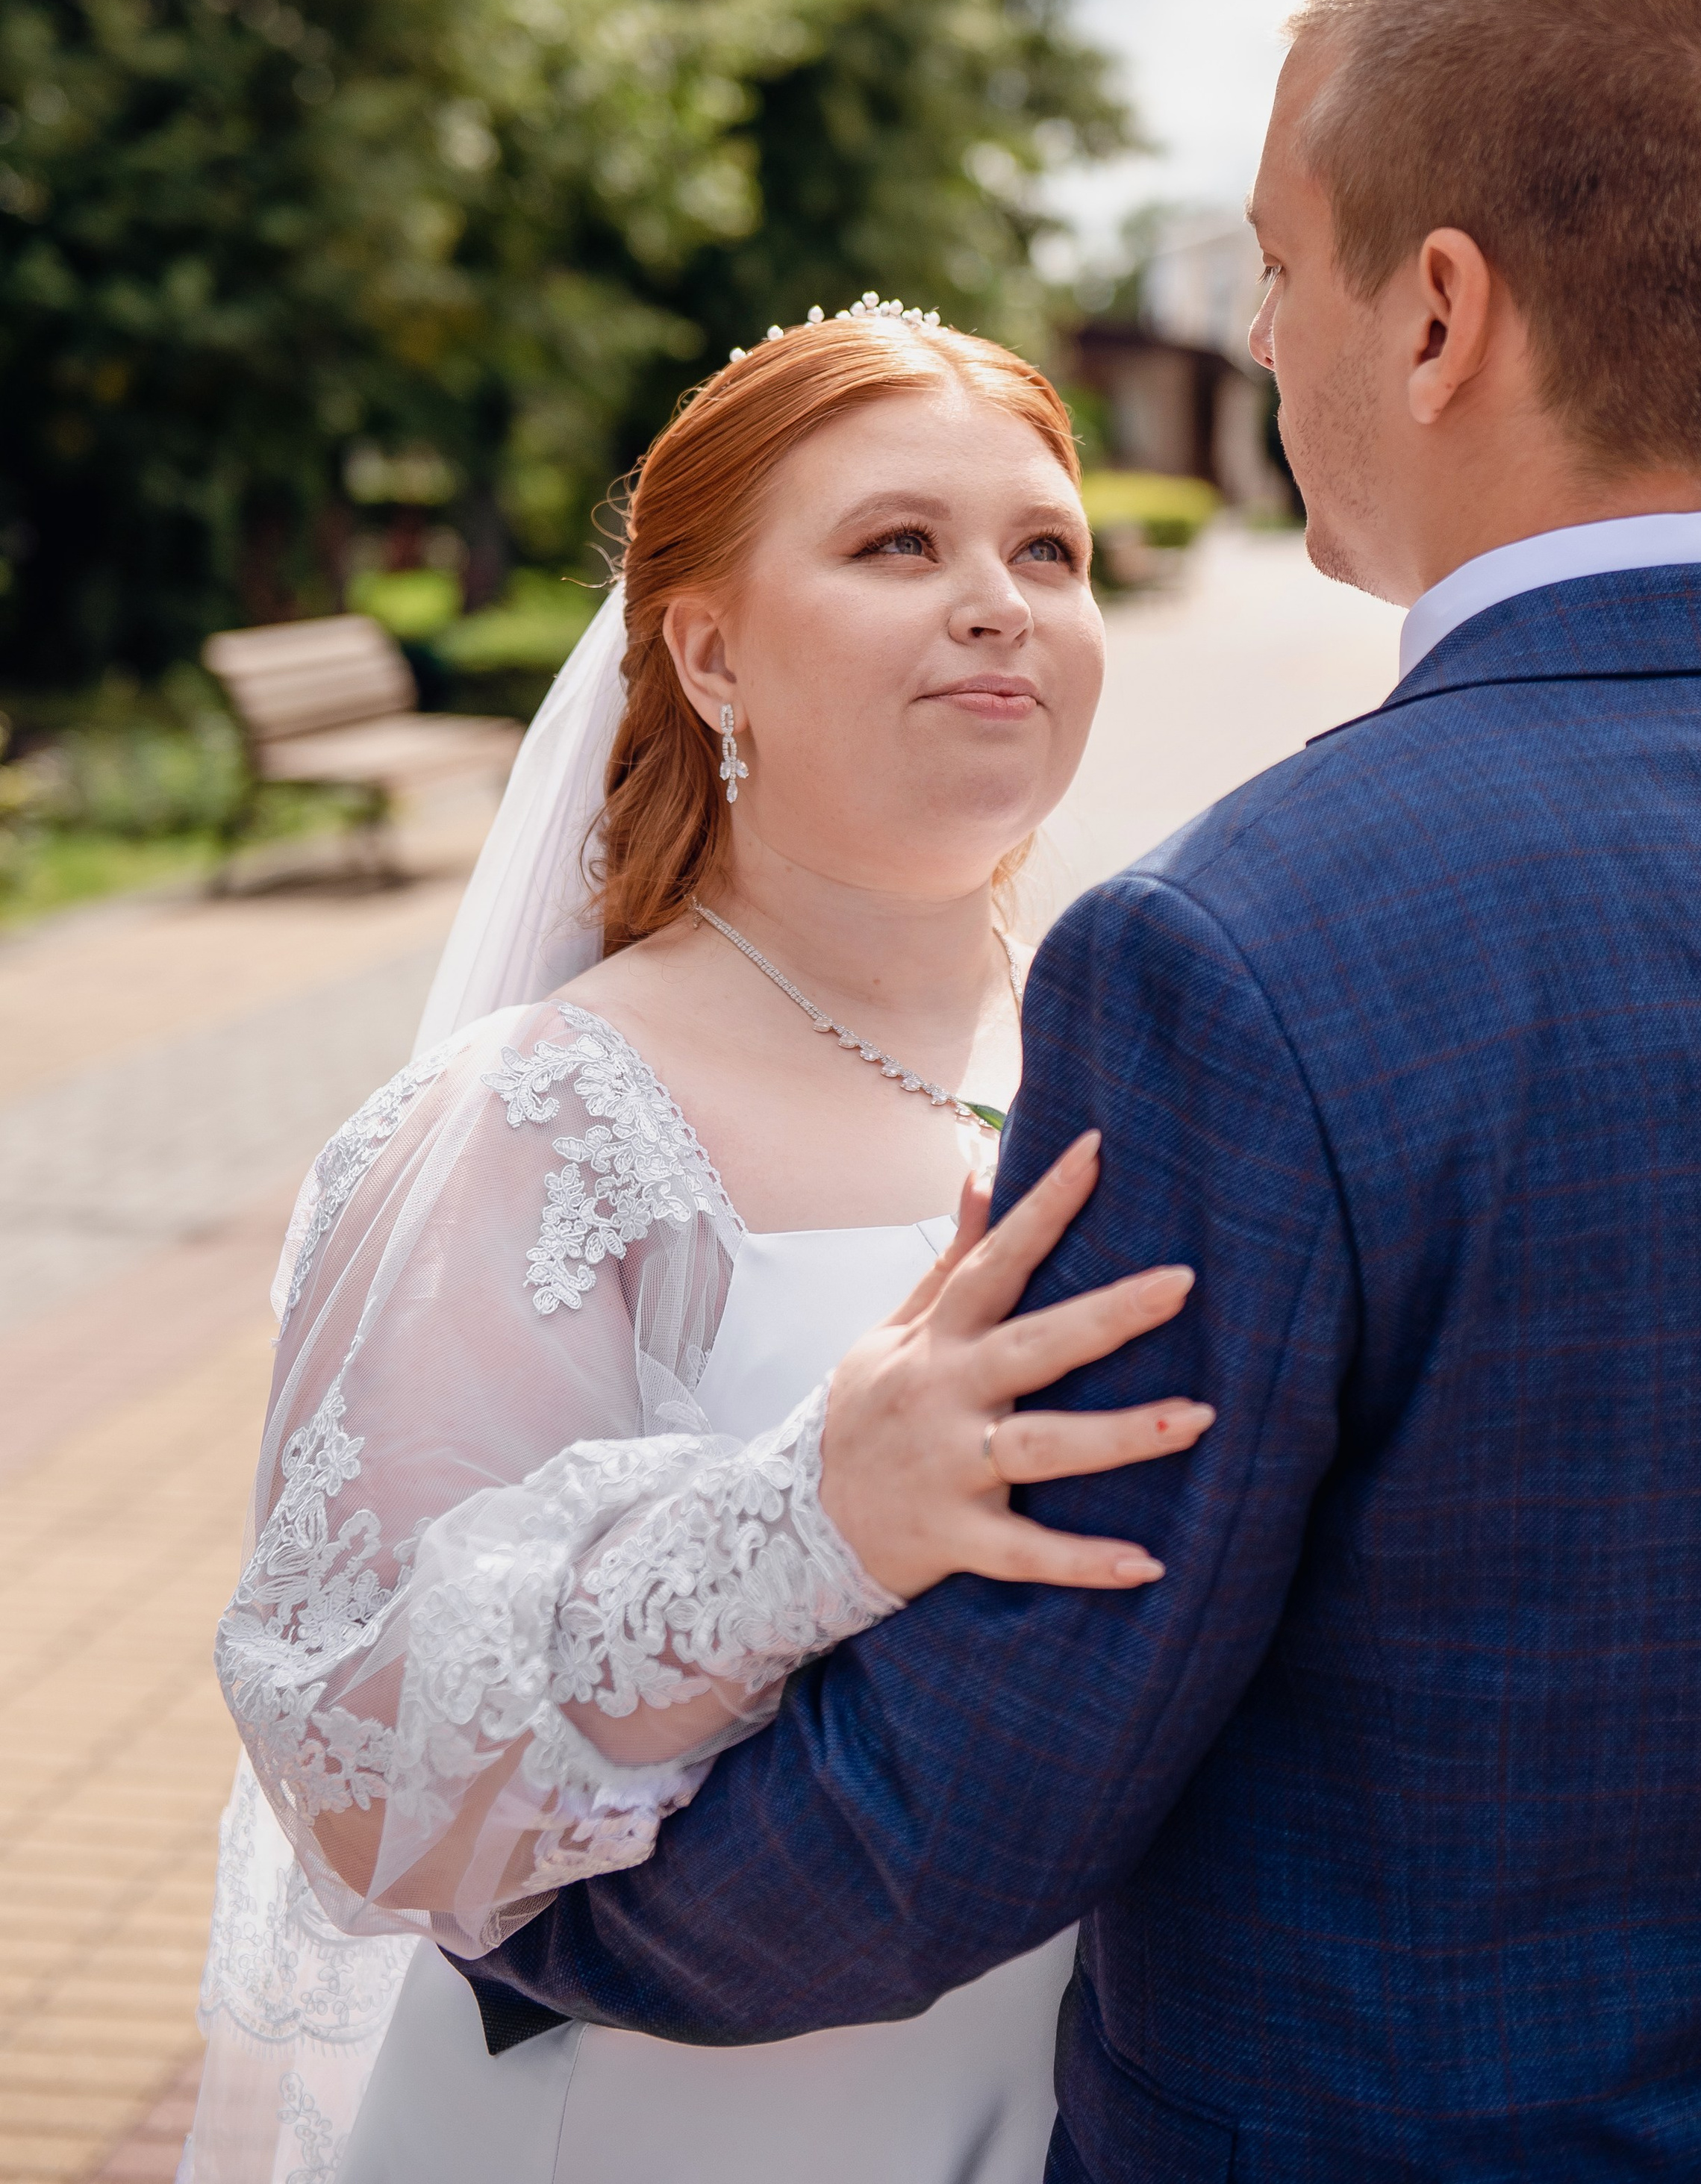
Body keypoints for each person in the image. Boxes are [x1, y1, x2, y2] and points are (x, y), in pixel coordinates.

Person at [466, 0, 1701, 2180]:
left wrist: (508, 1913)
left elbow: (969, 1803)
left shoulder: (1242, 949)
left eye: (1274, 255)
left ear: (1437, 312)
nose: (1254, 336)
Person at [185, 308, 1214, 2184]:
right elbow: (353, 1741)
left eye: (1041, 550)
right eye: (898, 543)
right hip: (667, 2117)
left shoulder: (1156, 1052)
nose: (996, 601)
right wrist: (807, 1520)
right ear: (711, 649)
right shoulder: (544, 1116)